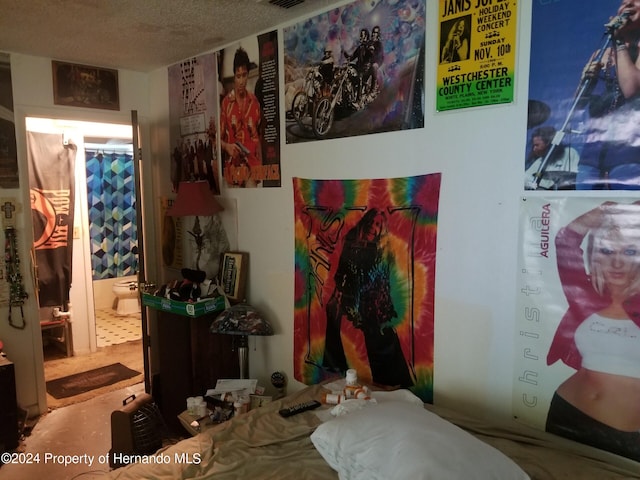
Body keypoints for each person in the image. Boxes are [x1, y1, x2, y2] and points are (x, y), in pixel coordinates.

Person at [545, 201, 640, 461]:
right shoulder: (585, 295)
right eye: (608, 251)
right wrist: (607, 210)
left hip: (629, 436)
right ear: (596, 255)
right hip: (567, 413)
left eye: (630, 251)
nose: (617, 263)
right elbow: (566, 240)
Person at [322, 208, 414, 388]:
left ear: (383, 228)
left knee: (384, 341)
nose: (374, 226)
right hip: (352, 300)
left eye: (378, 224)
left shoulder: (385, 249)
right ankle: (339, 373)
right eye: (372, 221)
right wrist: (339, 292)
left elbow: (391, 278)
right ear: (365, 222)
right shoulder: (351, 242)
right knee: (334, 319)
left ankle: (393, 385)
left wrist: (386, 304)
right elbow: (341, 272)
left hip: (376, 303)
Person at [577, 1, 640, 189]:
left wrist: (619, 41)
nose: (628, 3)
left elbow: (631, 89)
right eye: (623, 1)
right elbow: (578, 103)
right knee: (582, 213)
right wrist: (585, 81)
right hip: (592, 151)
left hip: (629, 150)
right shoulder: (601, 52)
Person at [220, 47, 262, 187]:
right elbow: (217, 141)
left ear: (248, 75)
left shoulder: (255, 102)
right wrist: (227, 147)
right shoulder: (226, 104)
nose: (242, 81)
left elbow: (259, 136)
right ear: (234, 76)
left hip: (252, 166)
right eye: (238, 76)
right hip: (233, 168)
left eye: (244, 75)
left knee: (254, 204)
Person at [524, 125, 580, 190]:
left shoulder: (570, 153)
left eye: (537, 145)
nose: (534, 149)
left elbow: (571, 177)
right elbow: (525, 178)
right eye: (534, 146)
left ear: (547, 143)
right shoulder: (540, 161)